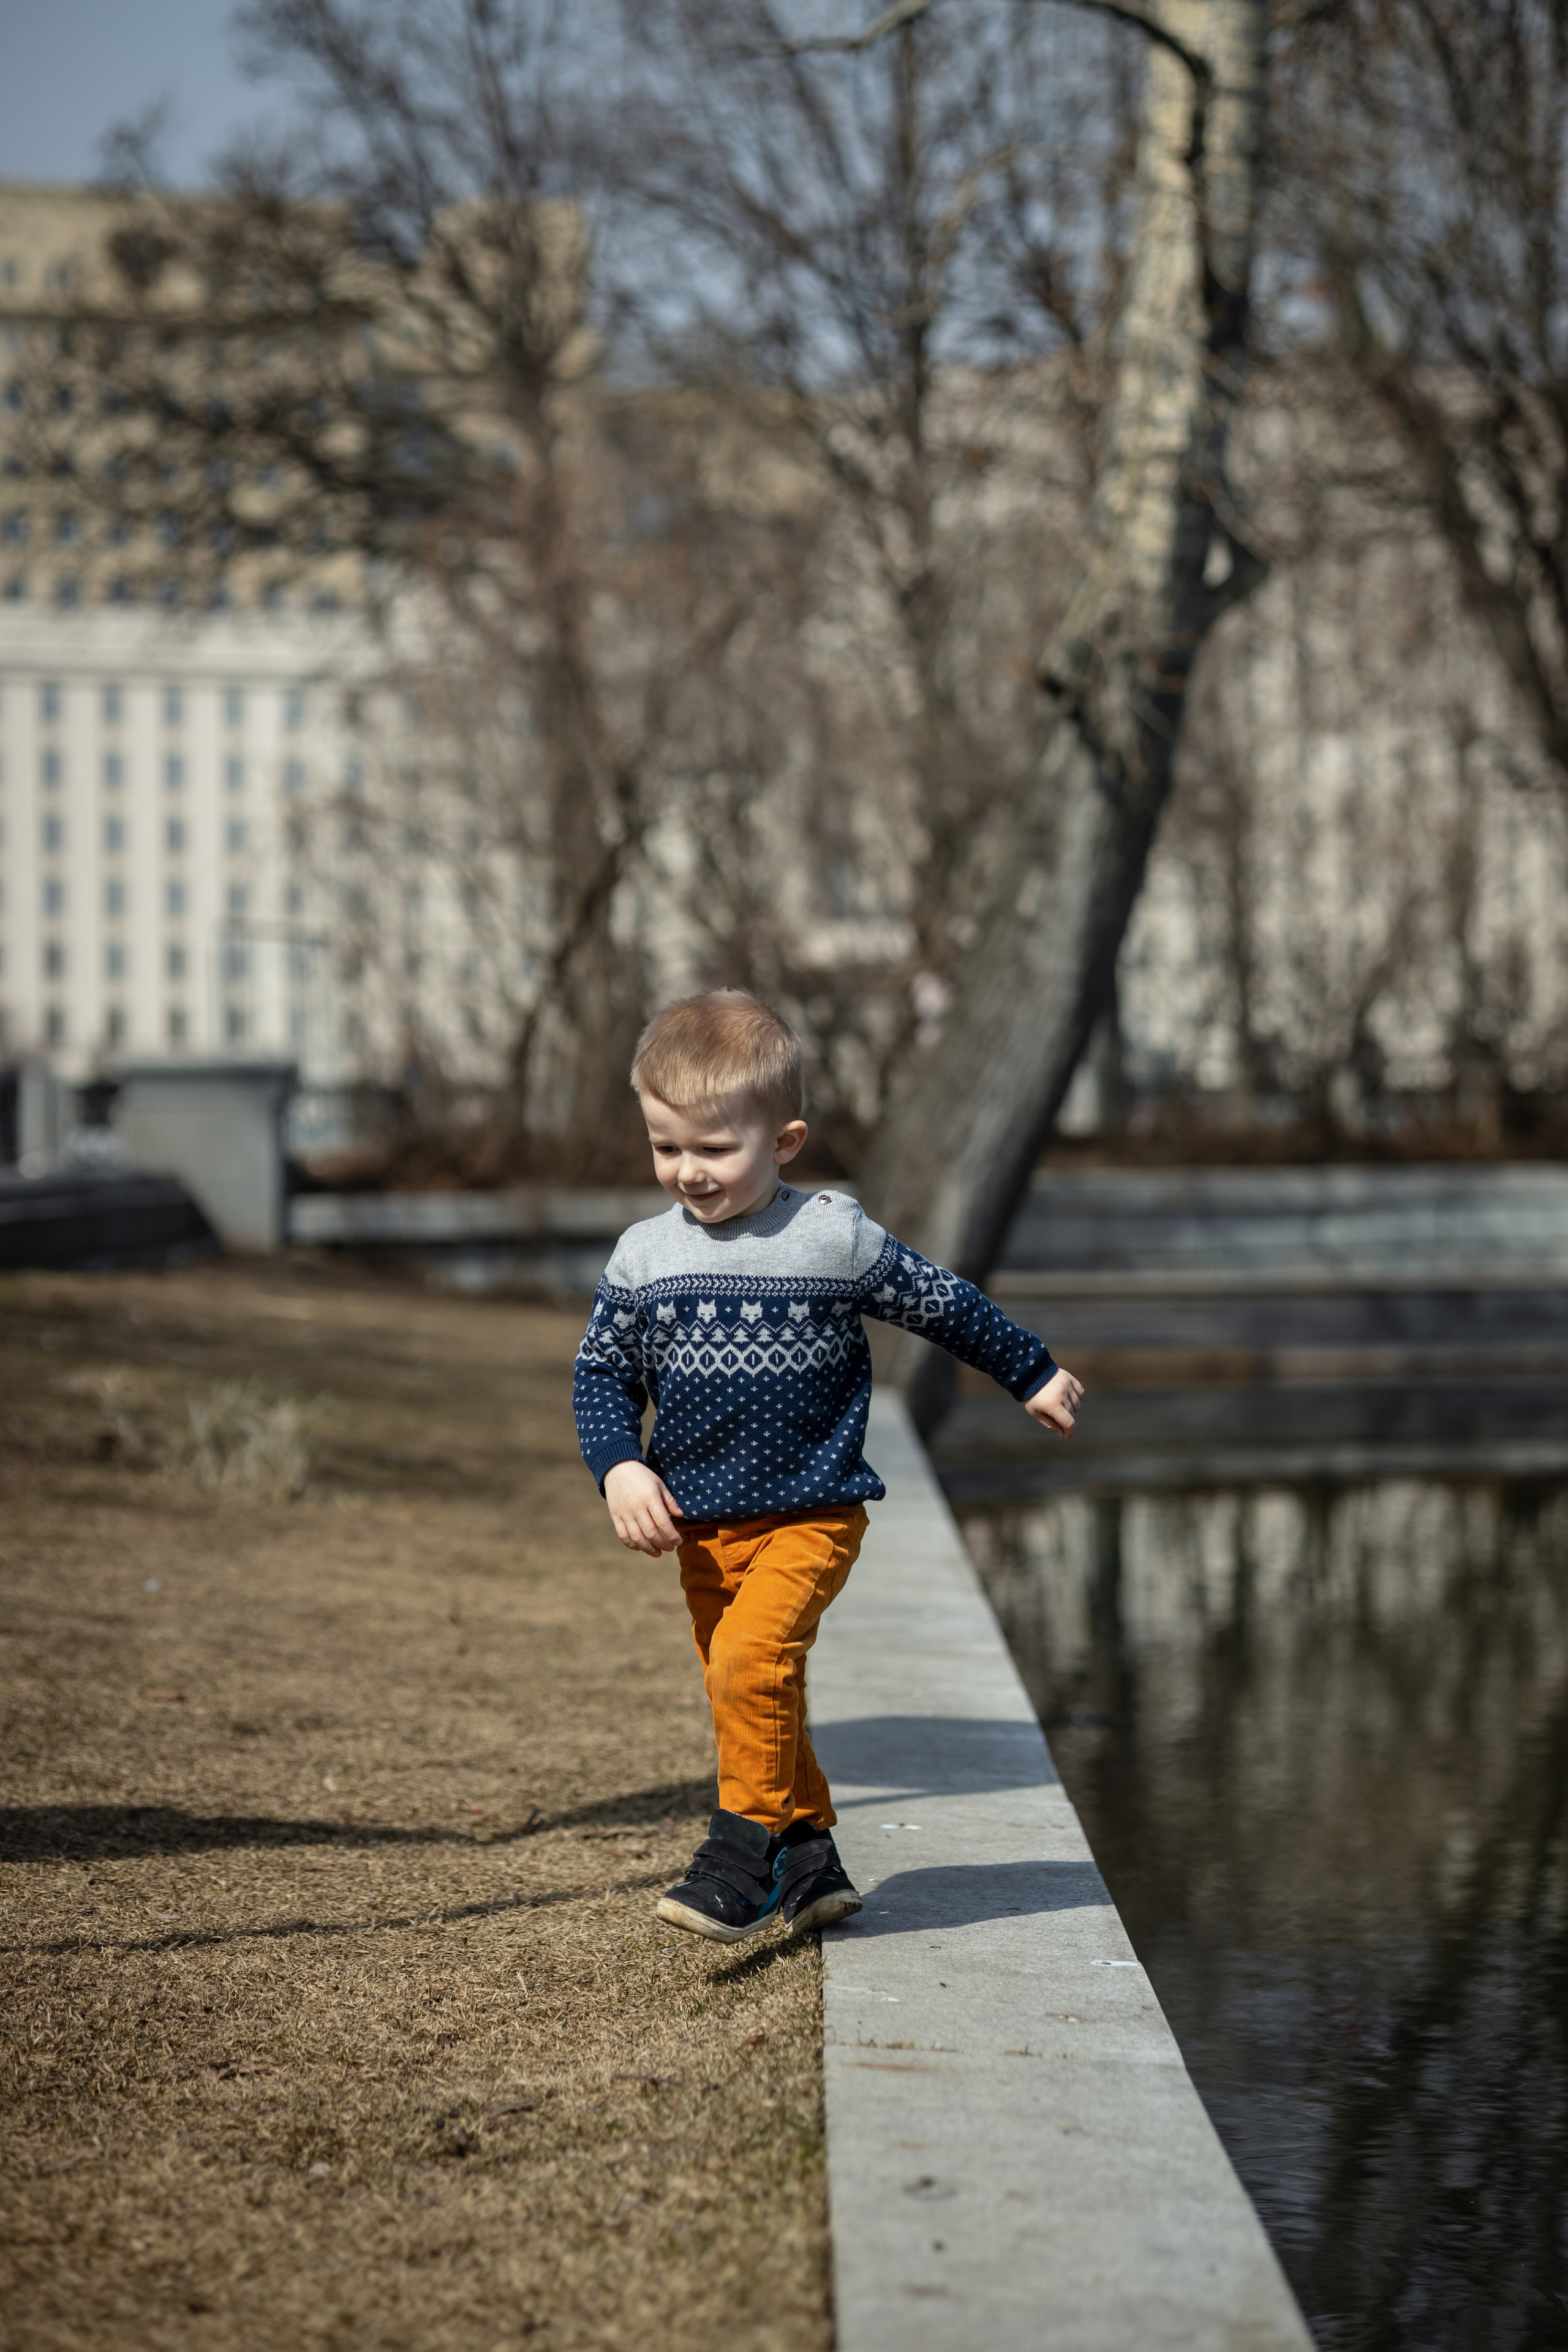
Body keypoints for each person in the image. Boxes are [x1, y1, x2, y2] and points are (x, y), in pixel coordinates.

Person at [572, 990, 1083, 1943]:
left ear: (787, 1139)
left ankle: (743, 1855)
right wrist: (619, 1470)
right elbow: (601, 1374)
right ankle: (811, 1859)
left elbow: (945, 1304)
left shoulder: (832, 1237)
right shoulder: (644, 1256)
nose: (688, 1171)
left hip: (812, 1510)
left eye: (713, 1148)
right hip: (700, 1525)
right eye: (665, 1146)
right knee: (751, 1682)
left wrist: (1032, 1370)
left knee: (751, 1662)